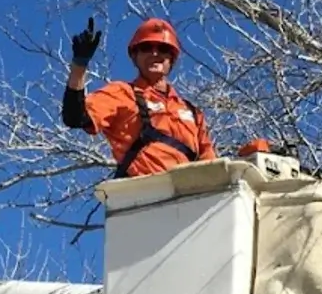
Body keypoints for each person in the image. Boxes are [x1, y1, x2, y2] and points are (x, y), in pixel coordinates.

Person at [61, 16, 217, 177]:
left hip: (189, 195)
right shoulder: (122, 93)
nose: (154, 53)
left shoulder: (193, 113)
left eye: (163, 48)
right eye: (146, 47)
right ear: (135, 56)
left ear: (172, 58)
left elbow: (211, 167)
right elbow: (75, 117)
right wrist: (79, 65)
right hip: (144, 193)